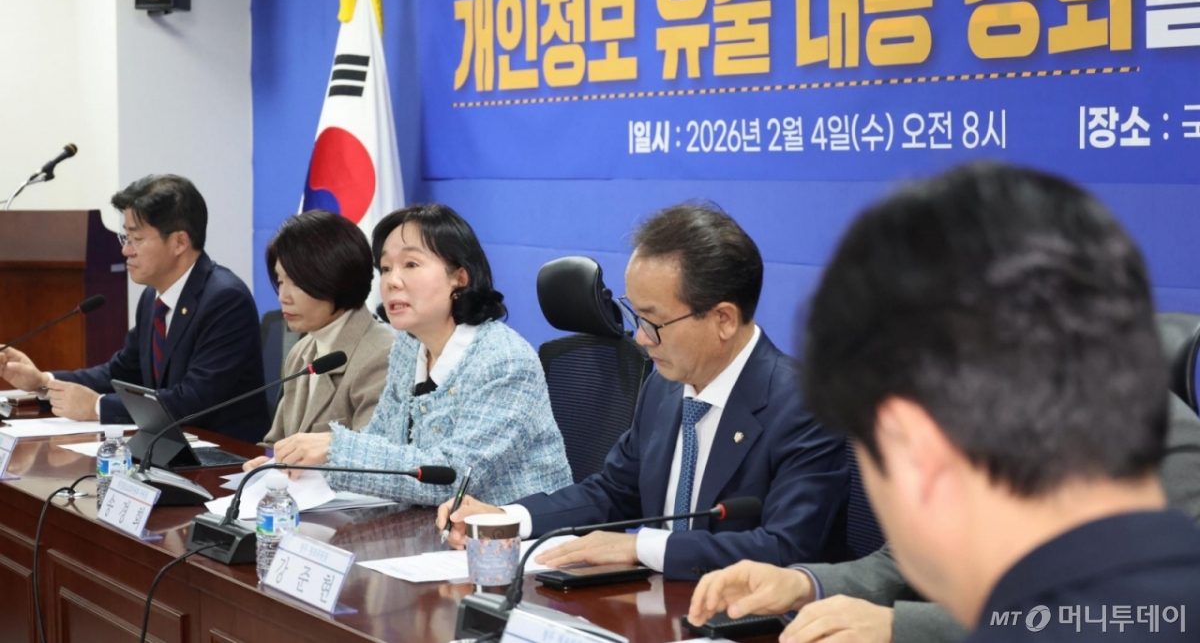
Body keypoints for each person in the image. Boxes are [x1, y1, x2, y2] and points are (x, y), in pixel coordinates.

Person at [687, 163, 1200, 642]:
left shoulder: (1157, 442)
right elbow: (902, 565)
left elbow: (1143, 611)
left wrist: (901, 626)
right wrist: (804, 583)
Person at [439, 203, 848, 580]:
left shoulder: (803, 405)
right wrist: (509, 518)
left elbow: (785, 548)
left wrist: (641, 547)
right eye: (635, 315)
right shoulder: (665, 387)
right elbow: (614, 491)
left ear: (723, 319)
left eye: (654, 321)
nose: (641, 337)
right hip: (658, 606)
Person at [259, 204, 572, 506]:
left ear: (459, 278)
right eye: (385, 268)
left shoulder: (504, 360)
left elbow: (455, 477)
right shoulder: (408, 349)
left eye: (410, 264)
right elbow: (382, 441)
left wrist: (336, 448)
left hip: (514, 535)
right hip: (429, 530)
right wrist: (292, 468)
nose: (392, 281)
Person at [0, 175, 268, 442]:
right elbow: (121, 373)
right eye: (125, 237)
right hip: (169, 447)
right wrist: (42, 382)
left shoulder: (225, 300)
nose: (126, 250)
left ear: (179, 242)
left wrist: (97, 407)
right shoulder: (153, 298)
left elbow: (193, 400)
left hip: (227, 453)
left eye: (136, 239)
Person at [239, 211, 392, 466]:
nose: (283, 297)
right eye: (280, 281)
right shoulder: (301, 352)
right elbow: (276, 443)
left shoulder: (381, 356)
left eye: (296, 283)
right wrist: (264, 463)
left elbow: (374, 464)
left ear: (337, 279)